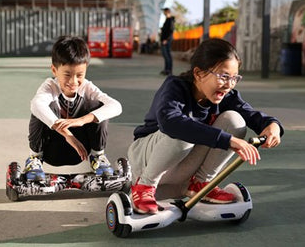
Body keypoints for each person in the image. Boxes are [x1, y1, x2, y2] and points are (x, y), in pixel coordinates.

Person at [128, 38, 284, 215]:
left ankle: (201, 184)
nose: (229, 84)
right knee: (183, 130)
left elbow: (252, 115)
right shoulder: (175, 87)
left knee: (235, 121)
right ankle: (144, 186)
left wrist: (273, 126)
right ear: (199, 73)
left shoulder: (227, 96)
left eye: (234, 78)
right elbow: (170, 122)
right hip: (146, 160)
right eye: (224, 76)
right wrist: (228, 140)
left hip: (182, 167)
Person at [25, 36, 123, 181]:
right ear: (54, 70)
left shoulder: (87, 87)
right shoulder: (49, 87)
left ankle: (98, 157)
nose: (74, 81)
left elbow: (116, 106)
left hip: (80, 152)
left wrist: (82, 120)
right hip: (50, 151)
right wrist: (68, 135)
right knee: (41, 109)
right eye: (67, 75)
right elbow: (36, 105)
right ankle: (35, 159)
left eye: (79, 75)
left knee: (99, 106)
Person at [159, 7, 175, 76]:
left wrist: (166, 39)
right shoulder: (167, 19)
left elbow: (170, 30)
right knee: (166, 56)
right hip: (165, 39)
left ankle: (169, 70)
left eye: (164, 12)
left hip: (166, 40)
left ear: (167, 12)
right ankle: (166, 69)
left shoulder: (170, 20)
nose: (163, 13)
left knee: (167, 55)